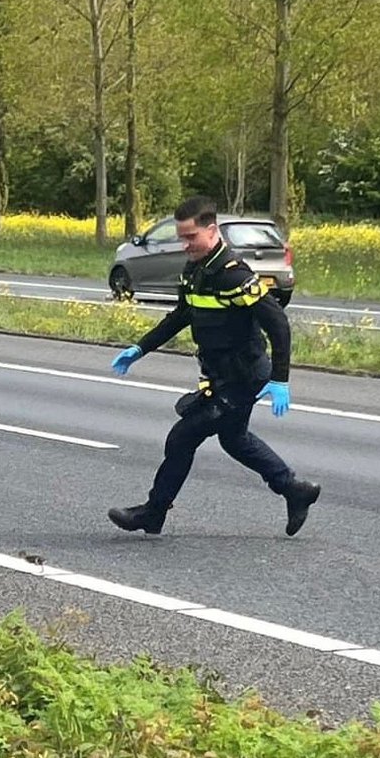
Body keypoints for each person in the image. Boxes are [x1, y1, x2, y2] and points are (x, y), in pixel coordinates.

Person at [107, 195, 320, 536]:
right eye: (181, 236)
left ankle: (153, 512)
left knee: (182, 437)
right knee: (233, 440)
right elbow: (182, 315)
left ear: (212, 231)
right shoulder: (195, 270)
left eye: (191, 237)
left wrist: (281, 379)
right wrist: (140, 347)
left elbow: (277, 323)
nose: (185, 243)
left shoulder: (234, 276)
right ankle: (295, 490)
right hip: (220, 375)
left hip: (244, 376)